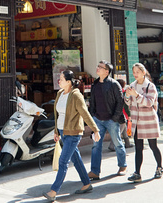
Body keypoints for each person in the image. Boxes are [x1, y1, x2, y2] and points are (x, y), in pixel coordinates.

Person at [43, 70, 101, 202]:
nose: (59, 80)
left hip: (73, 133)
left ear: (69, 82)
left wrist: (95, 130)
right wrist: (56, 132)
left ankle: (53, 191)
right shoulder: (59, 94)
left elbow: (85, 113)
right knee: (76, 159)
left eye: (62, 79)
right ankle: (86, 184)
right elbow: (57, 114)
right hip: (63, 132)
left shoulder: (76, 96)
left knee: (63, 161)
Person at [88, 61, 128, 180]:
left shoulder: (114, 84)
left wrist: (115, 118)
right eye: (98, 66)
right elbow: (92, 102)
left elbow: (120, 102)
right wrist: (92, 116)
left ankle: (123, 166)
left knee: (117, 143)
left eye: (100, 67)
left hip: (111, 120)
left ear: (107, 71)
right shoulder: (95, 84)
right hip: (98, 119)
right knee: (96, 146)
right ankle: (95, 171)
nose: (98, 68)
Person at [124, 63, 163, 182]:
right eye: (134, 72)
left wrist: (136, 95)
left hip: (149, 120)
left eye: (137, 72)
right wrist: (126, 96)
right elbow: (128, 103)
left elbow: (149, 103)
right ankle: (137, 173)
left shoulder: (150, 86)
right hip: (136, 121)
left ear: (143, 72)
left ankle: (159, 167)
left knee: (153, 146)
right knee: (138, 148)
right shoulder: (132, 85)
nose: (135, 74)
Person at [108, 78, 132, 151]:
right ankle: (112, 145)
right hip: (122, 114)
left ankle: (127, 143)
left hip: (115, 113)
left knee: (123, 129)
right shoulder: (123, 92)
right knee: (119, 131)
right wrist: (129, 115)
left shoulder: (112, 92)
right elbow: (126, 106)